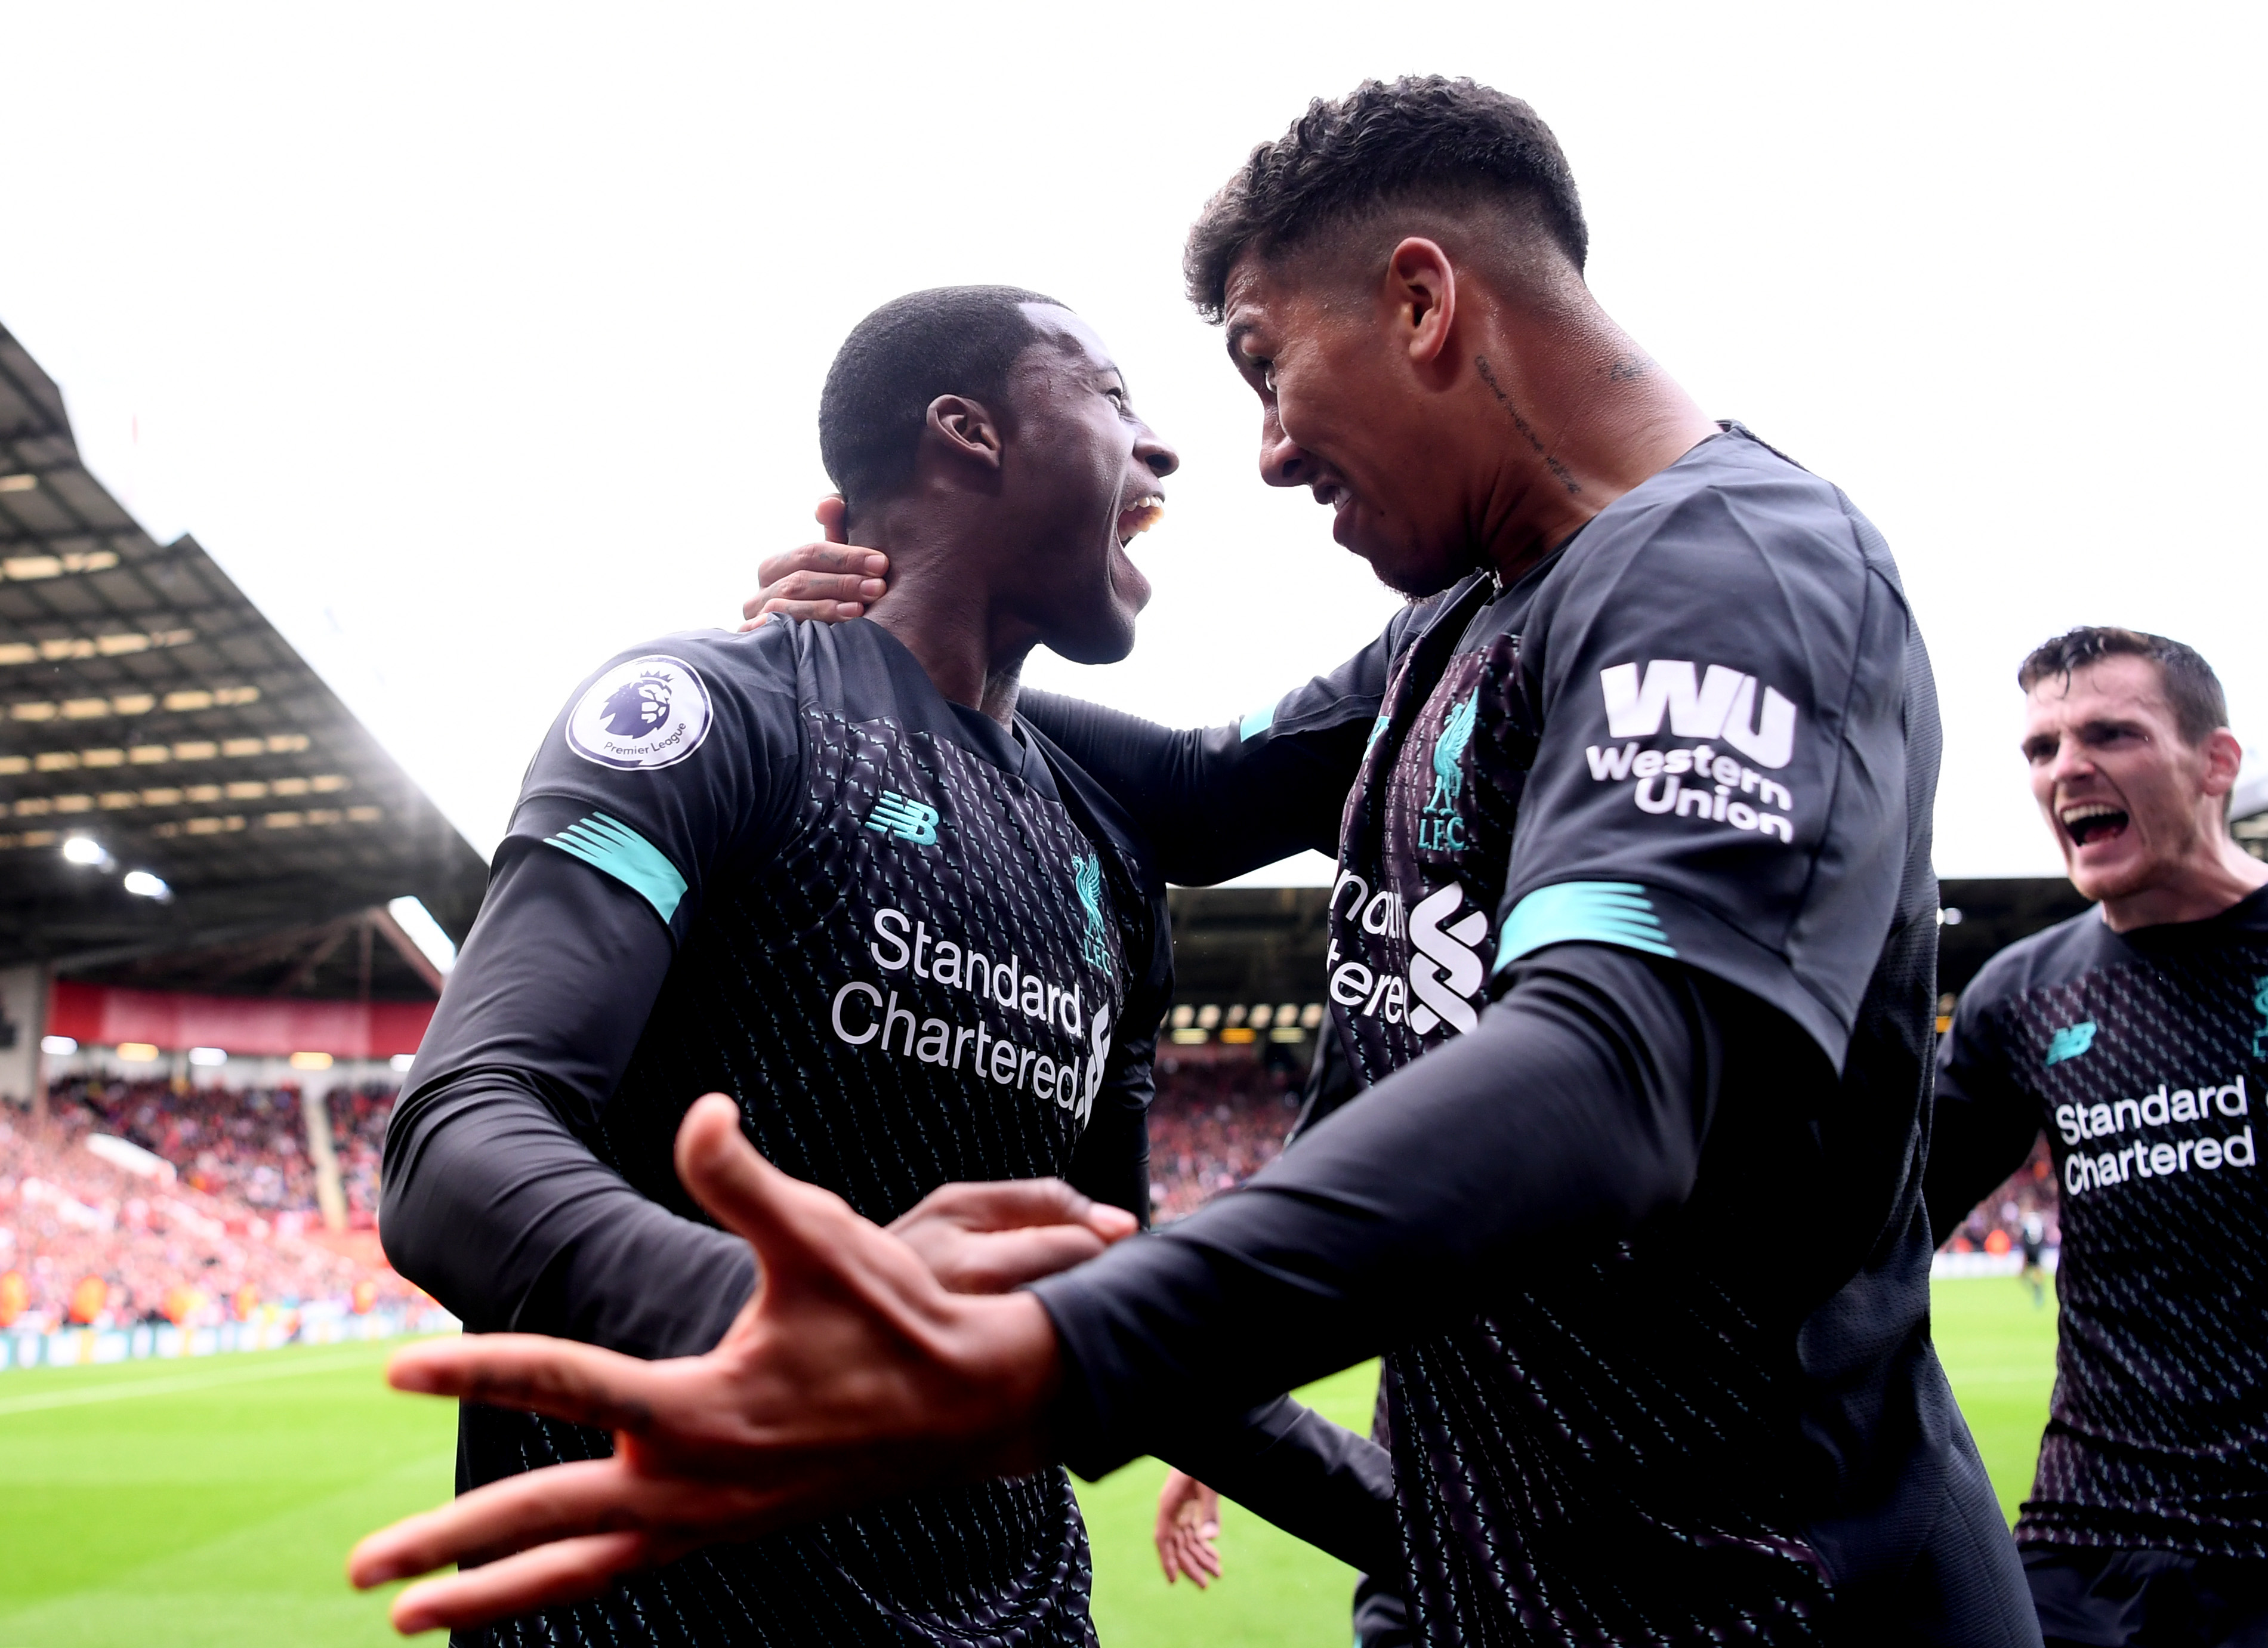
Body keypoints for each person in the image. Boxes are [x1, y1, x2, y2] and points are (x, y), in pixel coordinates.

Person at [353, 76, 2038, 1644]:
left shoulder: (1736, 567)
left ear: (1425, 303)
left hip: (1754, 1599)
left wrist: (1024, 1358)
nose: (1255, 452)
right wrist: (854, 659)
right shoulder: (1447, 638)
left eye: (1258, 363)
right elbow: (1193, 789)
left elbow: (1619, 1061)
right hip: (1484, 1588)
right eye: (1156, 397)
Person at [378, 283, 1402, 1647]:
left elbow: (1108, 1298)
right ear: (967, 434)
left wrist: (1424, 1528)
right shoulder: (711, 711)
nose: (1160, 449)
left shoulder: (1101, 842)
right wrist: (764, 1313)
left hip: (1020, 1614)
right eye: (1109, 397)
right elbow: (455, 1140)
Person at [1917, 626, 2268, 1646]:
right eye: (2042, 748)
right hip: (2090, 1542)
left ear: (2217, 761)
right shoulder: (2023, 995)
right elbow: (1880, 1223)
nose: (2066, 767)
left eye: (2110, 733)